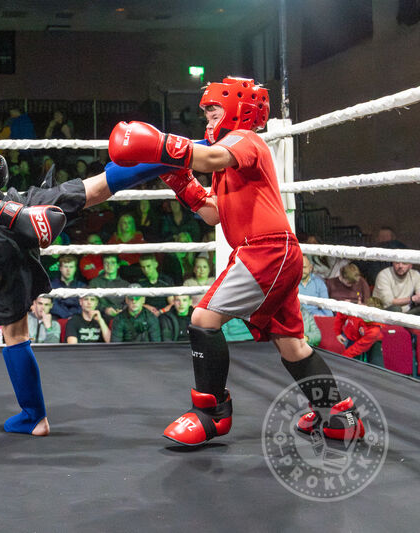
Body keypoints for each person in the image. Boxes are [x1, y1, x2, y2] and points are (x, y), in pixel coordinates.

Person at [108, 76, 364, 446]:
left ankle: (212, 413)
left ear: (237, 113)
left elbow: (209, 156)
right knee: (292, 344)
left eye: (213, 113)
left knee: (203, 320)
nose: (207, 123)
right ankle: (338, 418)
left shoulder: (245, 140)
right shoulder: (229, 161)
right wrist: (180, 182)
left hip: (266, 250)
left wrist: (160, 146)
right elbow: (213, 213)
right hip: (272, 253)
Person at [0, 81, 129, 435]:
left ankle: (35, 417)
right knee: (92, 189)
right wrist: (18, 216)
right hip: (7, 214)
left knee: (14, 331)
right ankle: (164, 157)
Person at [88, 254, 128, 320]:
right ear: (103, 265)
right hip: (99, 317)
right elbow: (89, 302)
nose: (109, 266)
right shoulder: (94, 283)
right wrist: (104, 309)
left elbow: (129, 303)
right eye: (106, 263)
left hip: (122, 318)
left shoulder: (125, 285)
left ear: (118, 265)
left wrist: (123, 311)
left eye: (113, 263)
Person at [49, 255, 85, 320]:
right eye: (66, 267)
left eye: (71, 267)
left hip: (77, 319)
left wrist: (72, 316)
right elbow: (52, 305)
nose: (68, 270)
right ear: (60, 268)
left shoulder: (82, 286)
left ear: (75, 269)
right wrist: (67, 315)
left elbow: (83, 305)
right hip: (57, 319)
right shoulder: (52, 285)